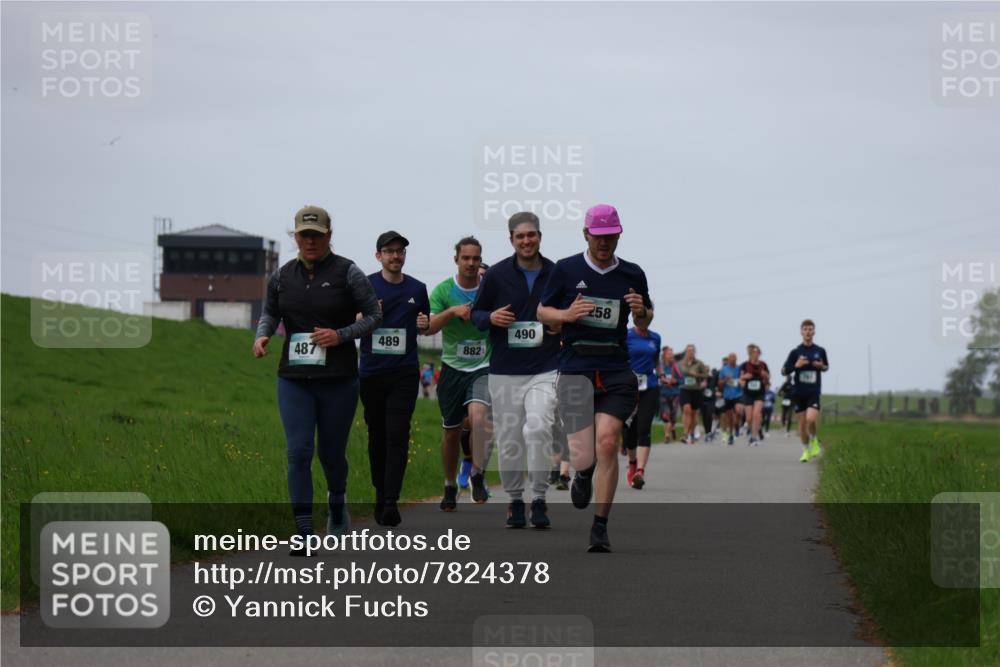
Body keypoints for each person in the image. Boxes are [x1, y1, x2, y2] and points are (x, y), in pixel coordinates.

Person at [253, 205, 382, 551]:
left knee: (331, 454)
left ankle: (337, 500)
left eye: (317, 235)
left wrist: (340, 335)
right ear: (295, 236)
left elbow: (373, 316)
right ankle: (304, 531)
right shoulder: (281, 276)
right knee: (298, 451)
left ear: (328, 235)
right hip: (294, 378)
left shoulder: (348, 272)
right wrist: (262, 335)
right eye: (304, 235)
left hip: (338, 379)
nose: (310, 241)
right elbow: (270, 312)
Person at [538, 203, 653, 552]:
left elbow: (644, 319)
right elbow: (543, 312)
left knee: (607, 441)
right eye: (598, 237)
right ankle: (582, 472)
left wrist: (640, 312)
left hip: (616, 368)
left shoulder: (632, 273)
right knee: (583, 451)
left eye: (610, 237)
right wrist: (568, 313)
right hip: (576, 366)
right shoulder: (565, 269)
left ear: (619, 235)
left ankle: (600, 526)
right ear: (586, 234)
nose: (604, 243)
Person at [472, 211, 560, 529]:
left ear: (539, 236)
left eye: (531, 235)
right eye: (520, 236)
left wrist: (558, 325)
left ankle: (538, 498)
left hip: (545, 368)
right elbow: (476, 314)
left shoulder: (556, 273)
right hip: (506, 369)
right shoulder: (495, 275)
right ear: (511, 239)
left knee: (537, 428)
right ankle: (515, 500)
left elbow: (566, 313)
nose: (526, 240)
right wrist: (491, 318)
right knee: (510, 437)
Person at [358, 231, 430, 527]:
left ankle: (391, 500)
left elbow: (424, 325)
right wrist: (363, 317)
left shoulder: (418, 288)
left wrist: (425, 323)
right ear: (378, 256)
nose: (395, 256)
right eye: (389, 251)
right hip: (372, 372)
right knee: (377, 435)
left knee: (397, 434)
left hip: (404, 372)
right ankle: (380, 491)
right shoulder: (365, 286)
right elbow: (354, 322)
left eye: (400, 251)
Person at [425, 237, 493, 509]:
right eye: (466, 258)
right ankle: (450, 485)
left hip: (483, 366)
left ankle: (477, 473)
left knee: (479, 419)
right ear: (456, 260)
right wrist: (452, 311)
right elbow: (428, 328)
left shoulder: (490, 289)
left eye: (476, 259)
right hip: (452, 367)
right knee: (452, 432)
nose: (471, 263)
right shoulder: (443, 290)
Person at [781, 319, 830, 462]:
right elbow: (784, 371)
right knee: (802, 426)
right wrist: (796, 365)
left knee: (810, 419)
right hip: (799, 394)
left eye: (810, 329)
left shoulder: (820, 351)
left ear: (814, 332)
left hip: (813, 392)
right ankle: (806, 451)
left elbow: (826, 367)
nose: (808, 332)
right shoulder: (795, 352)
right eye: (805, 329)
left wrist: (821, 366)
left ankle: (814, 440)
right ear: (801, 332)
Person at [622, 320, 662, 489]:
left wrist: (662, 375)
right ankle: (632, 463)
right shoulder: (627, 335)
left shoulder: (655, 338)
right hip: (629, 387)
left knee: (644, 429)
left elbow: (656, 361)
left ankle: (640, 471)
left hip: (650, 386)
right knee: (630, 432)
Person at [739, 344, 771, 446]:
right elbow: (740, 379)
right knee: (749, 418)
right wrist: (744, 378)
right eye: (753, 352)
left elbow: (768, 379)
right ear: (750, 354)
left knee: (756, 414)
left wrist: (766, 377)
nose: (755, 354)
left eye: (757, 352)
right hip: (748, 393)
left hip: (759, 393)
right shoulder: (744, 365)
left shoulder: (763, 365)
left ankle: (754, 437)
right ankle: (748, 428)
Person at [678, 344, 709, 444]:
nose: (690, 353)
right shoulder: (681, 363)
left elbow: (706, 375)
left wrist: (697, 375)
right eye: (689, 351)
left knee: (694, 414)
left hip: (696, 390)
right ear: (686, 352)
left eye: (692, 351)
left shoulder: (699, 363)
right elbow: (680, 372)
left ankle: (691, 433)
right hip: (684, 389)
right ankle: (685, 434)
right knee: (687, 410)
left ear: (695, 352)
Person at [717, 352, 744, 445]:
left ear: (736, 359)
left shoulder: (740, 369)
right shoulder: (723, 370)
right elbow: (719, 384)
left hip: (738, 394)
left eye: (734, 358)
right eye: (731, 358)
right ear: (728, 359)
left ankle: (737, 425)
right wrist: (725, 380)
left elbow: (743, 379)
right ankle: (731, 434)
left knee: (738, 410)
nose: (733, 359)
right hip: (728, 395)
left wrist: (742, 380)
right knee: (729, 417)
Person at [659, 346, 682, 443]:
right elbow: (656, 378)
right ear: (664, 356)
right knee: (665, 415)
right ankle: (667, 435)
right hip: (663, 394)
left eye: (672, 354)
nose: (671, 356)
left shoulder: (676, 367)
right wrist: (662, 380)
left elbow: (682, 380)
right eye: (669, 354)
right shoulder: (660, 367)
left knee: (673, 416)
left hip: (675, 394)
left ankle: (672, 428)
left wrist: (674, 380)